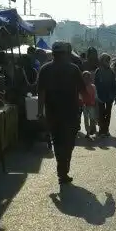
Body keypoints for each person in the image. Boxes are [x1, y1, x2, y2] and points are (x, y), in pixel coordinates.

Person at [37, 41, 86, 185]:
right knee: (68, 142)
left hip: (54, 113)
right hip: (70, 113)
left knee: (58, 142)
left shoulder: (45, 69)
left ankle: (62, 170)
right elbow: (83, 90)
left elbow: (41, 93)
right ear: (66, 54)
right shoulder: (73, 68)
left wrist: (40, 112)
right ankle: (63, 171)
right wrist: (88, 103)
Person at [94, 53, 116, 136]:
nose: (107, 62)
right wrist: (95, 95)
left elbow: (114, 85)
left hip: (109, 96)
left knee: (108, 113)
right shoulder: (98, 71)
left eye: (108, 60)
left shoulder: (111, 72)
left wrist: (115, 96)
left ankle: (106, 129)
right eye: (105, 60)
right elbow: (95, 84)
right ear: (102, 61)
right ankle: (101, 129)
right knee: (101, 113)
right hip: (100, 96)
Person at [81, 70, 97, 138]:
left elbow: (95, 96)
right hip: (84, 105)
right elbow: (80, 96)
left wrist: (95, 103)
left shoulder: (93, 86)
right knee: (86, 119)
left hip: (91, 105)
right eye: (85, 78)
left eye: (87, 78)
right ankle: (87, 132)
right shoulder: (81, 87)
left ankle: (92, 129)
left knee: (92, 118)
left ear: (90, 78)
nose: (86, 79)